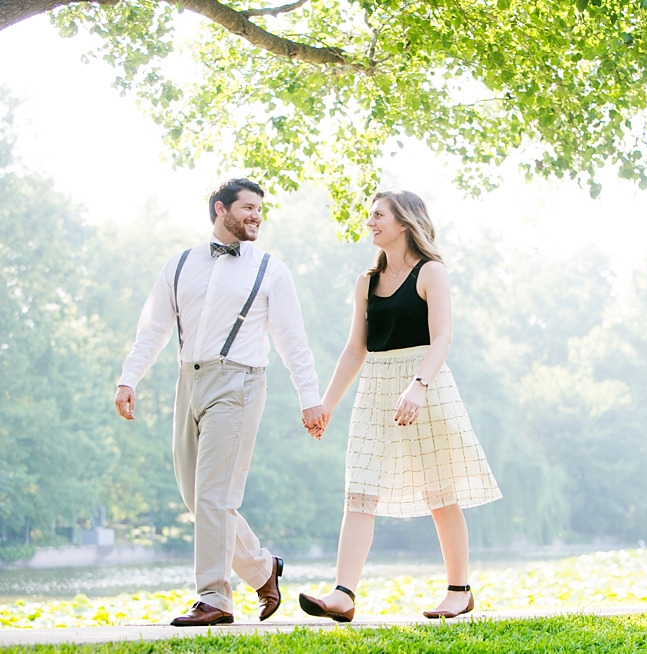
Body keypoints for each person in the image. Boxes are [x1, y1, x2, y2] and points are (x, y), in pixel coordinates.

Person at [114, 178, 328, 626]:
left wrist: (311, 399)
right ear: (219, 209)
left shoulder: (272, 269)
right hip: (187, 380)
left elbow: (293, 341)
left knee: (214, 493)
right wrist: (129, 378)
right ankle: (263, 568)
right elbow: (153, 328)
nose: (256, 216)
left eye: (259, 210)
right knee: (198, 496)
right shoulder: (180, 265)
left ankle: (215, 598)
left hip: (240, 383)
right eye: (248, 207)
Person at [298, 190, 502, 622]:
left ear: (404, 223)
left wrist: (418, 385)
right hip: (376, 388)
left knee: (440, 491)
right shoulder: (365, 283)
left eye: (378, 216)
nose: (369, 222)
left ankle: (459, 591)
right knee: (360, 490)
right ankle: (343, 594)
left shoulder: (432, 272)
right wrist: (326, 405)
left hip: (424, 384)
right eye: (370, 216)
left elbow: (443, 337)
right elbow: (355, 349)